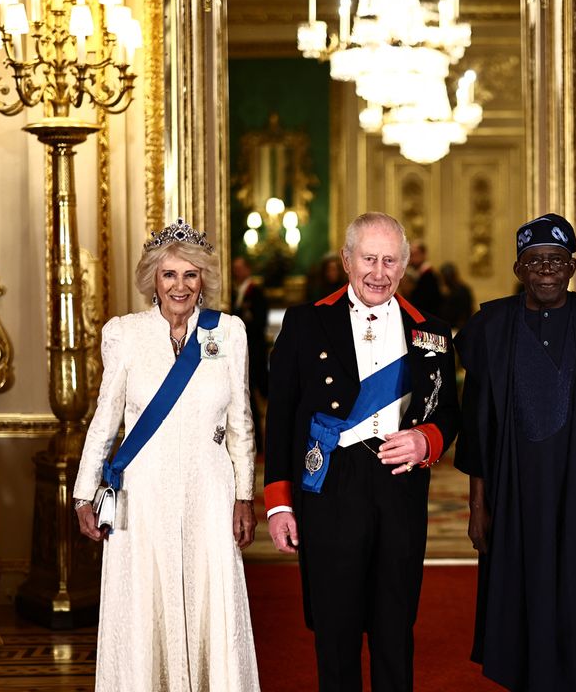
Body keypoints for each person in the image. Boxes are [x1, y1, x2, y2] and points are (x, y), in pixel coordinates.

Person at [264, 212, 460, 692]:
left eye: (390, 260)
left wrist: (426, 440)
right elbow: (282, 415)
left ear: (405, 265)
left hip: (399, 483)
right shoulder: (307, 322)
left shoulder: (430, 331)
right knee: (336, 629)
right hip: (331, 484)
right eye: (369, 259)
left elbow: (450, 412)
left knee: (395, 627)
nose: (379, 272)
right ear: (347, 262)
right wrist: (279, 503)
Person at [455, 213, 576, 691]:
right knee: (521, 595)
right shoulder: (492, 327)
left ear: (572, 266)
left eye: (556, 260)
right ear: (518, 268)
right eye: (534, 261)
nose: (546, 270)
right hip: (512, 494)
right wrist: (477, 506)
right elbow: (477, 426)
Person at [74, 219, 260, 691]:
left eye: (191, 275)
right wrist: (83, 495)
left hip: (210, 488)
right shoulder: (125, 334)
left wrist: (244, 496)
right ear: (153, 280)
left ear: (204, 281)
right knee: (144, 603)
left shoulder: (230, 333)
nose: (180, 286)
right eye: (169, 275)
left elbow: (240, 421)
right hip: (144, 491)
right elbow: (105, 419)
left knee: (211, 601)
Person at [231, 256, 270, 398]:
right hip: (241, 345)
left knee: (258, 386)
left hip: (254, 346)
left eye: (240, 269)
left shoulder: (256, 292)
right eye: (235, 269)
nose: (237, 272)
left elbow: (260, 321)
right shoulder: (234, 292)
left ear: (248, 269)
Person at [407, 241, 445, 316]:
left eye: (415, 254)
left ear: (423, 254)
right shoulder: (418, 274)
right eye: (410, 255)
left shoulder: (429, 275)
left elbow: (427, 303)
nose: (411, 259)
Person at [438, 262, 474, 330]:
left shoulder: (462, 290)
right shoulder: (443, 290)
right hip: (446, 325)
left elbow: (467, 310)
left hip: (457, 327)